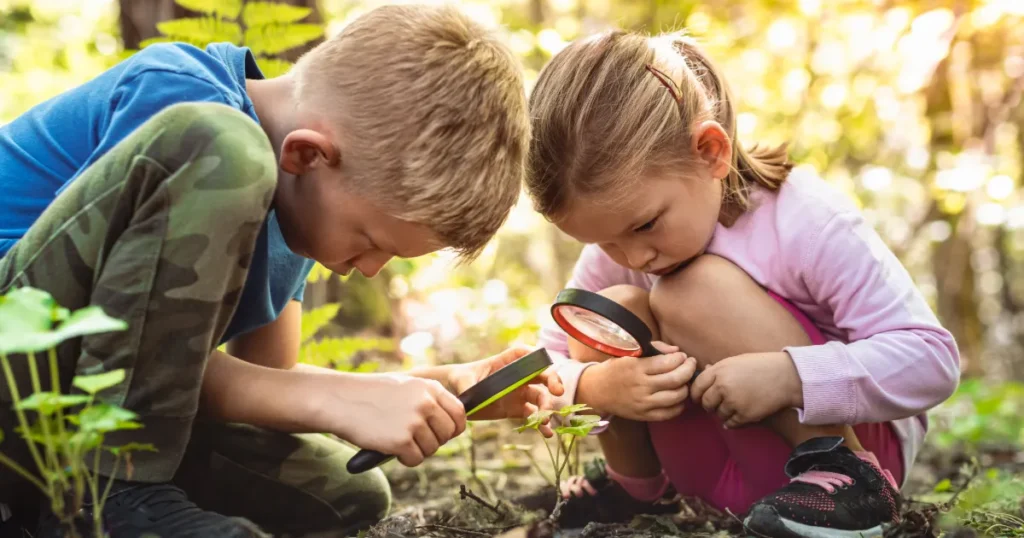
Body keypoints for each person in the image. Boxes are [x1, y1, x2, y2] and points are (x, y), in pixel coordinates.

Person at [0, 5, 564, 537]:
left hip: (64, 415)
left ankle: (75, 500)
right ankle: (111, 500)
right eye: (370, 241)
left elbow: (258, 387)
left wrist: (443, 387)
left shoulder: (299, 208)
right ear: (307, 156)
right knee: (225, 144)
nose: (366, 271)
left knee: (345, 488)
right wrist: (340, 399)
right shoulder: (194, 113)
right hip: (19, 342)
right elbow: (107, 336)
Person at [523, 29, 961, 538]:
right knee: (608, 306)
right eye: (605, 243)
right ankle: (633, 491)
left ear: (711, 152)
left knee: (691, 289)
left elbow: (932, 359)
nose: (633, 256)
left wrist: (789, 376)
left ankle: (848, 480)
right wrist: (597, 387)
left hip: (845, 458)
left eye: (644, 226)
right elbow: (542, 366)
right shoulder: (622, 241)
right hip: (703, 474)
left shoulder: (803, 218)